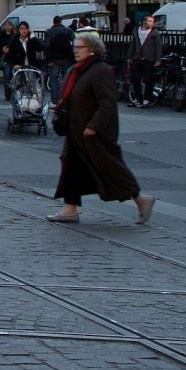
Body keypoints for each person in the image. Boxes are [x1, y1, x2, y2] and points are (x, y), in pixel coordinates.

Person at [49, 31, 155, 225]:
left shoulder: (100, 70)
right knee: (71, 169)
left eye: (80, 47)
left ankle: (141, 200)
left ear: (92, 50)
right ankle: (70, 209)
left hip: (93, 133)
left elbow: (107, 101)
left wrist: (94, 125)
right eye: (75, 47)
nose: (76, 51)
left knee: (109, 168)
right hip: (76, 131)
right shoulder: (77, 69)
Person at [130, 14, 162, 108]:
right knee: (135, 79)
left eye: (153, 22)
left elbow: (158, 46)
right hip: (137, 58)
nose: (152, 23)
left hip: (149, 58)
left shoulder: (155, 32)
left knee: (148, 80)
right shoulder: (136, 30)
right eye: (150, 21)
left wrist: (158, 59)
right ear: (144, 22)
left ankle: (147, 99)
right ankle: (138, 98)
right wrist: (130, 56)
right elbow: (133, 44)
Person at [44, 15, 74, 100]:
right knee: (66, 79)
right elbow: (75, 42)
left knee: (53, 80)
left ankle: (54, 99)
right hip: (66, 58)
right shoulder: (68, 30)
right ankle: (65, 98)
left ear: (53, 22)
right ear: (61, 21)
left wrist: (48, 60)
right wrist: (71, 56)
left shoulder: (49, 32)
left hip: (54, 59)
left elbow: (47, 47)